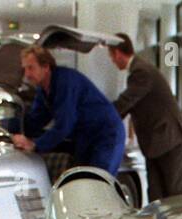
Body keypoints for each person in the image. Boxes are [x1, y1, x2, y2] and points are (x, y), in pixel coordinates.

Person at [12, 45, 125, 176]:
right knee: (81, 183)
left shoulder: (65, 82)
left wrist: (34, 144)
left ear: (46, 67)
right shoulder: (43, 90)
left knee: (99, 183)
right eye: (24, 69)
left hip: (106, 135)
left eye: (31, 68)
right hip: (85, 137)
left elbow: (65, 124)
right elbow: (34, 121)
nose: (26, 75)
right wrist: (2, 125)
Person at [106, 33, 182, 202]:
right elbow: (127, 107)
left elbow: (125, 103)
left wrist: (100, 117)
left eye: (111, 56)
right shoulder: (139, 69)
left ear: (116, 53)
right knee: (156, 197)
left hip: (170, 141)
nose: (112, 61)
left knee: (174, 197)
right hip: (158, 143)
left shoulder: (141, 71)